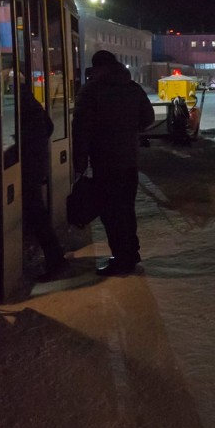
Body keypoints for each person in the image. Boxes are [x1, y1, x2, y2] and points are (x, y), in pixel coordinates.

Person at [71, 50, 156, 275]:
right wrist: (128, 131)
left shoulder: (91, 91)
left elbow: (81, 131)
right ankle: (130, 252)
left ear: (97, 67)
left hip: (105, 162)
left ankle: (122, 259)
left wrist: (79, 165)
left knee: (111, 212)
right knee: (126, 209)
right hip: (129, 161)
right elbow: (148, 119)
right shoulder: (132, 87)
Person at [20, 80, 66, 280]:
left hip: (30, 167)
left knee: (37, 215)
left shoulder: (23, 109)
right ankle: (55, 257)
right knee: (38, 213)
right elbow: (49, 127)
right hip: (37, 165)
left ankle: (55, 260)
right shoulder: (34, 106)